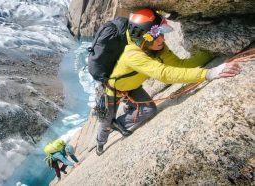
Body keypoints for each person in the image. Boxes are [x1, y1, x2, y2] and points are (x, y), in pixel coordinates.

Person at [95, 8, 241, 155]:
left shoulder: (157, 48)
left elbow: (180, 65)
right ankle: (100, 144)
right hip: (111, 91)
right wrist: (209, 74)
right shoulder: (132, 55)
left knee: (149, 110)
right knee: (105, 122)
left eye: (162, 34)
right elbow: (164, 74)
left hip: (132, 87)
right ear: (145, 37)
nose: (162, 39)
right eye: (157, 36)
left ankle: (119, 123)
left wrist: (211, 51)